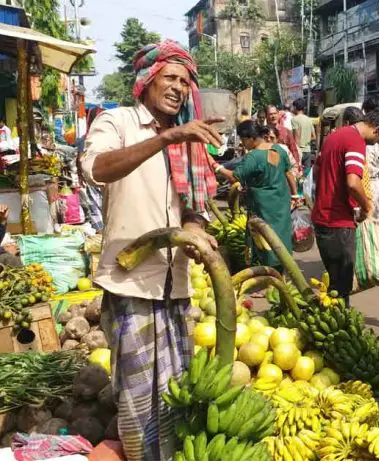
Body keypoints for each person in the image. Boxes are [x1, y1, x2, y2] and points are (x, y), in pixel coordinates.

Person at [80, 39, 221, 461]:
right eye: (170, 78)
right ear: (147, 80)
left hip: (174, 286)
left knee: (175, 394)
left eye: (185, 80)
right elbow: (96, 169)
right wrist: (166, 138)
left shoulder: (190, 138)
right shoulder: (118, 121)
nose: (179, 87)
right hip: (130, 284)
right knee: (139, 397)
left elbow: (195, 206)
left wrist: (195, 230)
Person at [311, 109, 379, 306]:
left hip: (323, 218)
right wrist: (367, 205)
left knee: (334, 283)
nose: (375, 144)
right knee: (341, 287)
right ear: (378, 130)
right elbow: (352, 182)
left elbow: (317, 171)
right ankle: (339, 329)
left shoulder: (335, 136)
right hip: (338, 222)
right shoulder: (355, 141)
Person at [218, 121, 297, 271]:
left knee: (263, 242)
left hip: (263, 207)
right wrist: (294, 194)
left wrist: (218, 167)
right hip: (281, 203)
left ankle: (268, 280)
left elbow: (235, 177)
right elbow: (289, 173)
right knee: (280, 238)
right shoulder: (279, 150)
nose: (242, 144)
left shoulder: (253, 157)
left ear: (250, 138)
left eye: (243, 140)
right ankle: (281, 275)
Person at [341, 107, 379, 221]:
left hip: (359, 188)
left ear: (346, 123)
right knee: (373, 224)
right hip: (373, 186)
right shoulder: (373, 144)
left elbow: (352, 183)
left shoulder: (350, 141)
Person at [77, 107, 106, 232]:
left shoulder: (84, 139)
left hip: (93, 175)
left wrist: (80, 175)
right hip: (109, 175)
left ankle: (100, 231)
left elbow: (80, 159)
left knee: (95, 206)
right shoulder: (110, 135)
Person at [267, 104, 301, 176]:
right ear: (267, 116)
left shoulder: (286, 131)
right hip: (269, 170)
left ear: (278, 114)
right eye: (270, 114)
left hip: (285, 169)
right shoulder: (262, 133)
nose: (273, 116)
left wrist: (297, 167)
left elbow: (293, 150)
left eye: (274, 113)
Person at [291, 98, 316, 169]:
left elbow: (297, 137)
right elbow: (314, 137)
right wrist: (306, 141)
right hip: (308, 151)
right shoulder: (309, 119)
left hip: (299, 151)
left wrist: (296, 152)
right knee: (307, 174)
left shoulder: (294, 119)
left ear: (295, 107)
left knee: (299, 175)